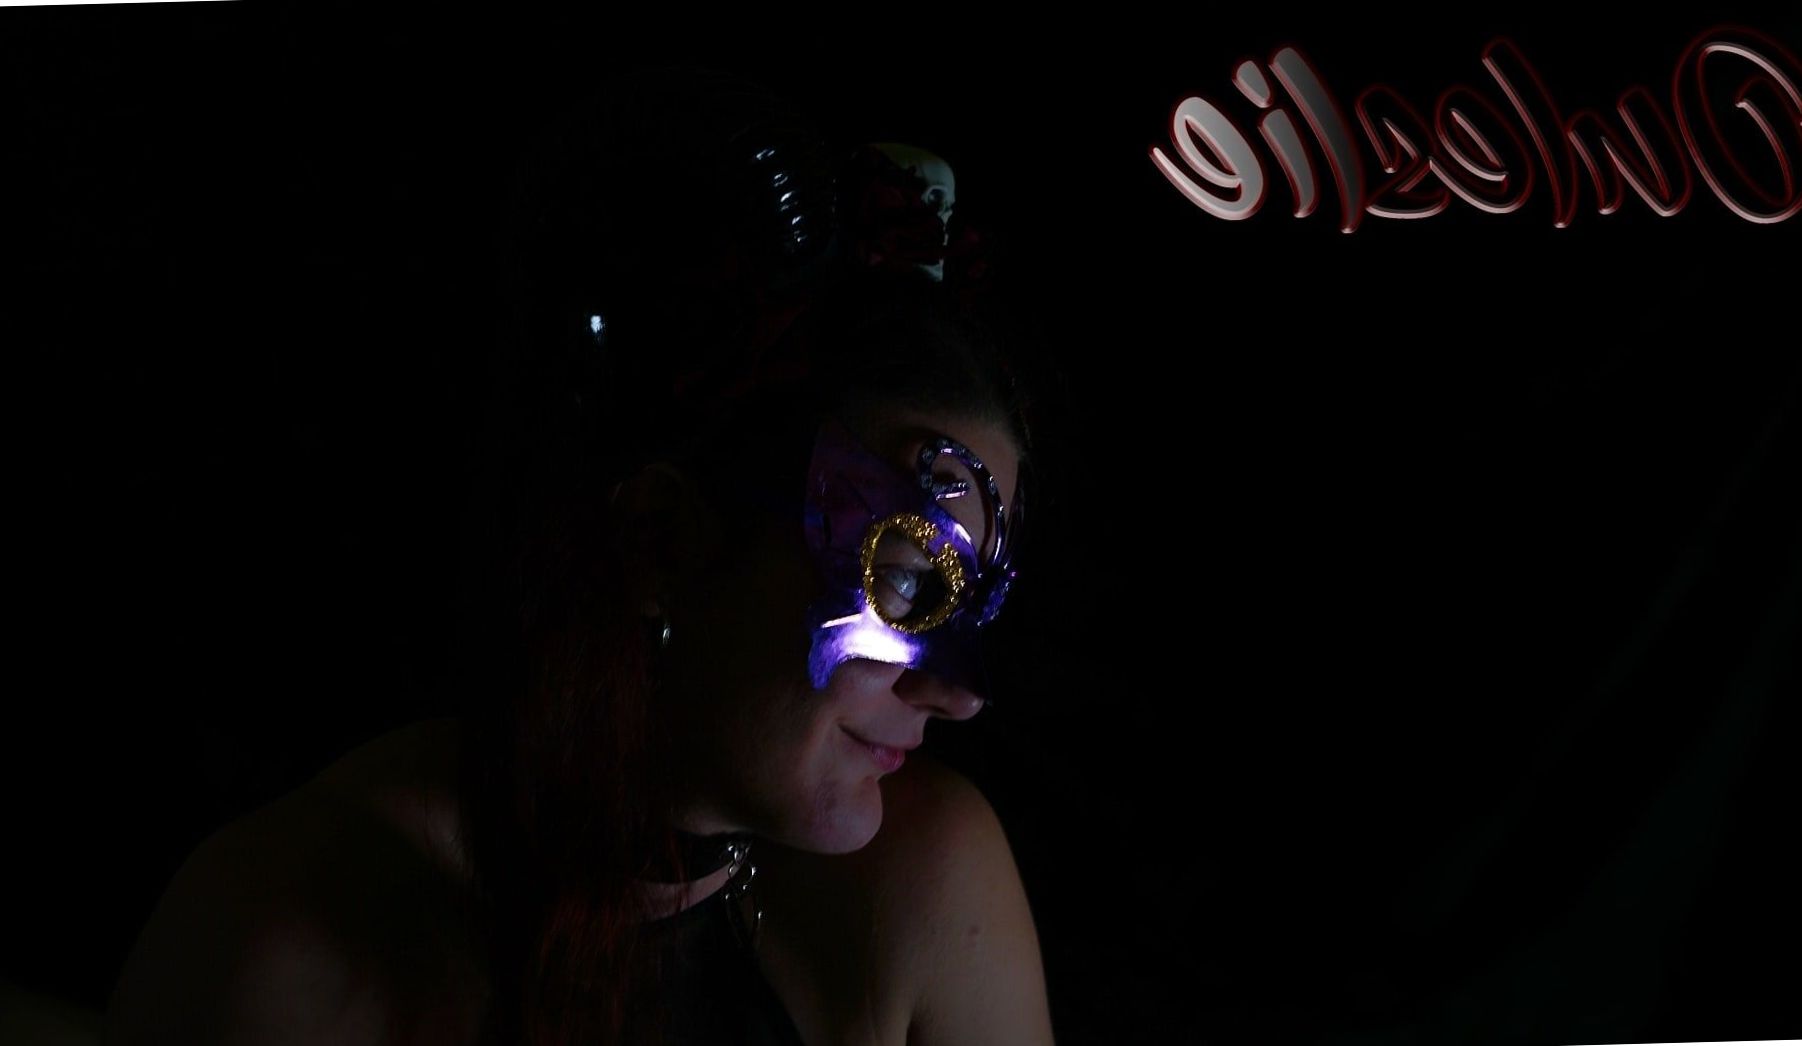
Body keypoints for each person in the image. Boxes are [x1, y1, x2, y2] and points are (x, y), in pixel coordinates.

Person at [103, 65, 1056, 1046]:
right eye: (905, 579)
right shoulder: (286, 942)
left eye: (971, 601)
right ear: (660, 540)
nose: (957, 693)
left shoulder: (924, 889)